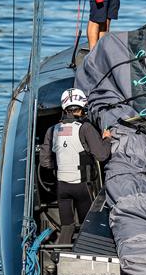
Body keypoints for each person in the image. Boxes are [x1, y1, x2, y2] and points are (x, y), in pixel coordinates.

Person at [39, 89, 112, 245]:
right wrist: (106, 139)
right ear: (82, 106)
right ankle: (87, 248)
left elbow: (45, 162)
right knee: (88, 225)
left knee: (67, 225)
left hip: (62, 187)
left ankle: (60, 254)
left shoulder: (52, 130)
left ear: (64, 108)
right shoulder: (85, 128)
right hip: (83, 186)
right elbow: (102, 156)